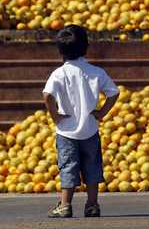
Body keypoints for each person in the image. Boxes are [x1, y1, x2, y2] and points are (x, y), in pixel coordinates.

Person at [43, 24, 119, 218]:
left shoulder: (59, 73)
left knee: (68, 166)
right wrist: (101, 113)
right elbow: (113, 93)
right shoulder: (96, 72)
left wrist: (55, 116)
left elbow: (47, 95)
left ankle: (65, 205)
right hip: (90, 130)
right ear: (86, 47)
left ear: (60, 51)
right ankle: (92, 205)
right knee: (92, 166)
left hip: (66, 131)